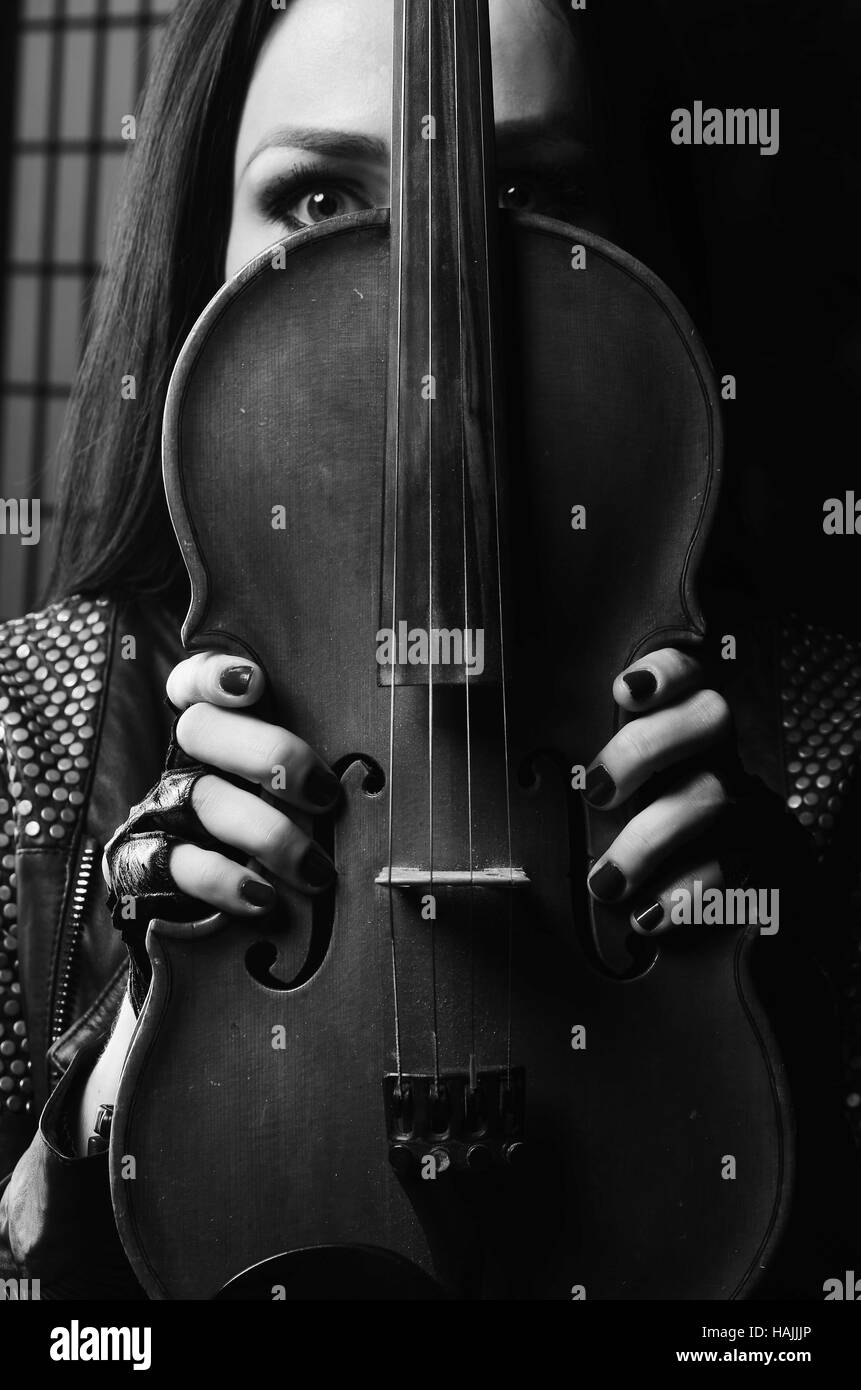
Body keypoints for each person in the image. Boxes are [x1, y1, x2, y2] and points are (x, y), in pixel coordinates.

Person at [0, 0, 858, 1300]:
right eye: (319, 202)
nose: (426, 328)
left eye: (519, 194)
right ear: (203, 248)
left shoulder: (828, 719)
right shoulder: (29, 719)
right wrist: (117, 1090)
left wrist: (803, 1050)